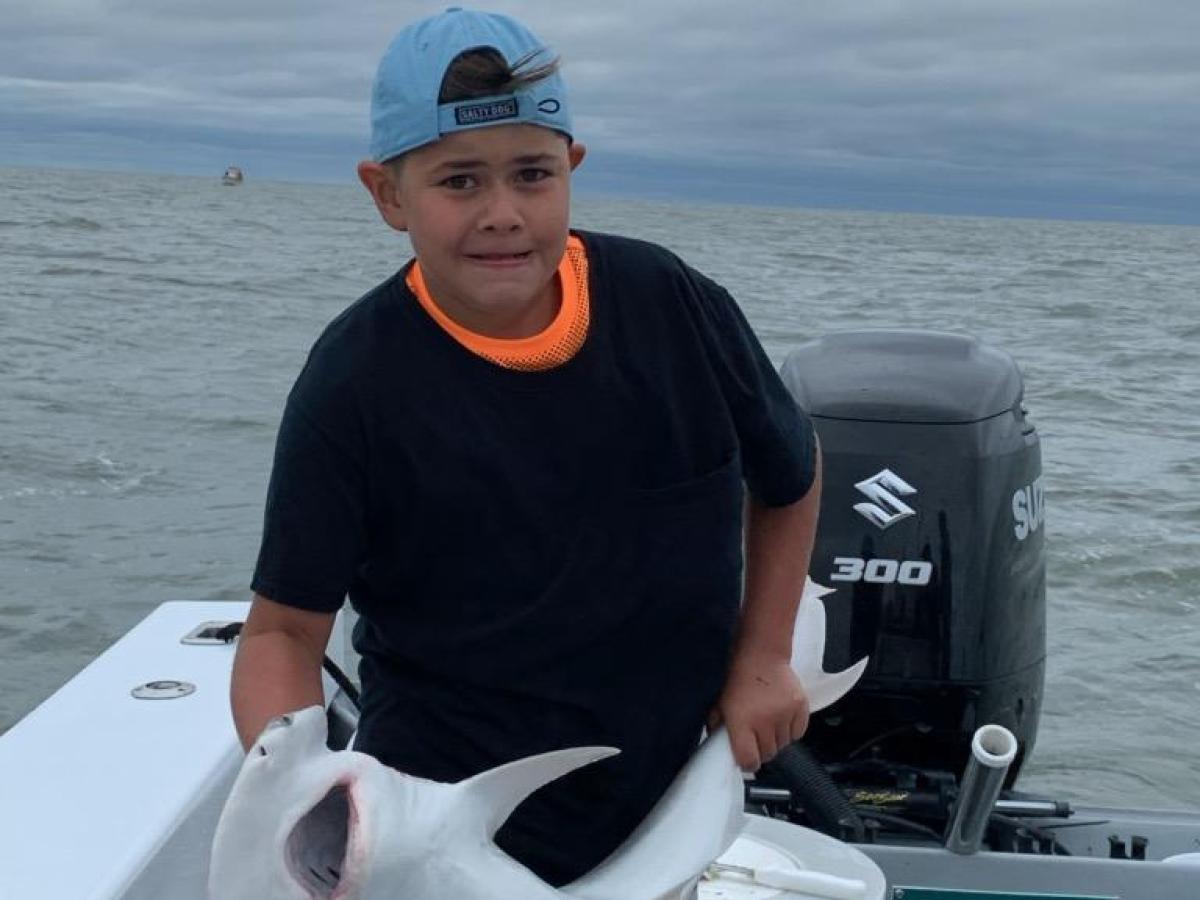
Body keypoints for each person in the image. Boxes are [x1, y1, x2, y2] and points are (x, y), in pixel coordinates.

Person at [231, 6, 822, 886]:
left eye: (532, 174)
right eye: (459, 181)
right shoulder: (353, 383)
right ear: (387, 194)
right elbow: (282, 632)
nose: (503, 214)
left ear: (571, 170)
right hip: (437, 828)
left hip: (664, 805)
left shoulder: (672, 305)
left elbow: (791, 475)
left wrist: (765, 658)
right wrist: (310, 790)